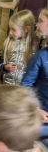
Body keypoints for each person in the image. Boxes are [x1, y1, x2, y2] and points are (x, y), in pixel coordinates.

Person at [21, 7, 48, 138]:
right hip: (42, 118)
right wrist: (36, 110)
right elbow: (25, 85)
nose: (37, 24)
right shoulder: (41, 56)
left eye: (41, 21)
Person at [0, 10, 35, 85]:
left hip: (25, 89)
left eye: (13, 29)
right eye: (10, 29)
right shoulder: (8, 43)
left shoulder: (35, 45)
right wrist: (5, 67)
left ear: (27, 29)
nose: (10, 32)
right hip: (8, 87)